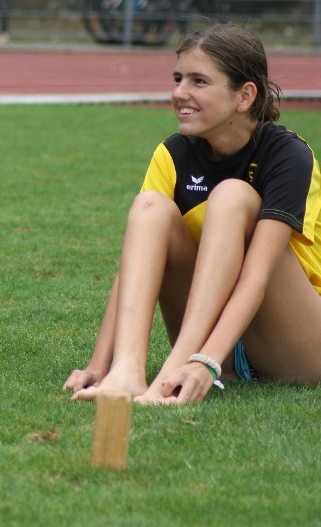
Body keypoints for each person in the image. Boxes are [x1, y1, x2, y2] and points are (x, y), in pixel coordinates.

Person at [64, 23, 321, 404]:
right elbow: (136, 263)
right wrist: (99, 365)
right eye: (178, 79)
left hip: (296, 344)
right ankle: (128, 373)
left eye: (199, 81)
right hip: (218, 335)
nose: (179, 93)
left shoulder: (288, 155)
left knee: (232, 196)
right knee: (150, 208)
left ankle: (174, 371)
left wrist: (206, 362)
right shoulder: (173, 153)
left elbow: (256, 277)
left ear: (245, 96)